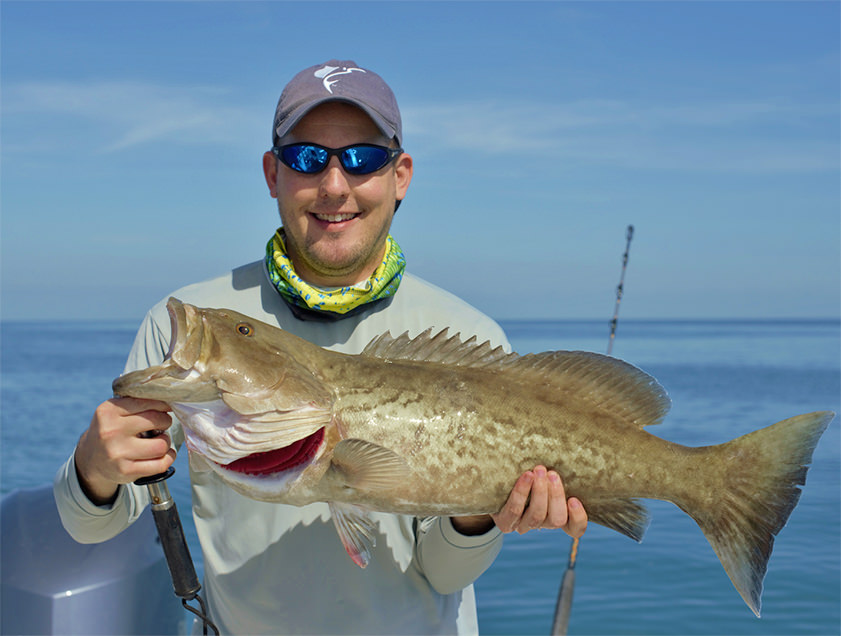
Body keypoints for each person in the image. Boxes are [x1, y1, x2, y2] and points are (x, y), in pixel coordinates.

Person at [54, 60, 587, 635]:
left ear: (400, 175)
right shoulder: (190, 327)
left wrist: (480, 513)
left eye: (362, 159)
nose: (334, 185)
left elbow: (445, 573)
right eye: (307, 158)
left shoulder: (470, 339)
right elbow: (92, 527)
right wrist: (93, 468)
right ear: (271, 173)